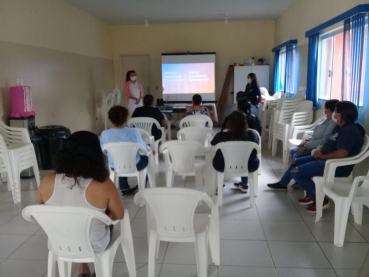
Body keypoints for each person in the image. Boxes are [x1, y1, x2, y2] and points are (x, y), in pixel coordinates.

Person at [38, 131, 124, 277]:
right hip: (94, 244)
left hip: (59, 241)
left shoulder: (47, 180)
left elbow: (42, 208)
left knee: (75, 224)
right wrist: (103, 216)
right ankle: (99, 270)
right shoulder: (104, 184)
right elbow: (119, 214)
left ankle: (83, 268)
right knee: (103, 223)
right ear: (95, 155)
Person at [268, 101, 365, 213]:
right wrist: (320, 151)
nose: (335, 114)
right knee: (295, 162)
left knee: (296, 171)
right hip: (326, 158)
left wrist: (323, 156)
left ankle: (321, 199)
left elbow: (341, 153)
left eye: (337, 111)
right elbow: (329, 143)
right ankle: (301, 190)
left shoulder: (349, 131)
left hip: (335, 165)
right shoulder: (340, 127)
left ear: (342, 114)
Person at [100, 106, 152, 195]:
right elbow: (143, 149)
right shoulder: (134, 132)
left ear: (110, 119)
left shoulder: (105, 134)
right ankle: (139, 187)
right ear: (126, 119)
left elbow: (104, 151)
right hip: (135, 165)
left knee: (119, 158)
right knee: (146, 158)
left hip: (115, 166)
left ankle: (124, 187)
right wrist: (151, 148)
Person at [211, 110, 260, 192]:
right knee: (245, 156)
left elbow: (212, 145)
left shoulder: (221, 136)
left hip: (222, 165)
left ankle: (219, 184)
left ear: (229, 123)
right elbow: (256, 148)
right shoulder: (252, 136)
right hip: (249, 166)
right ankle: (244, 183)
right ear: (245, 122)